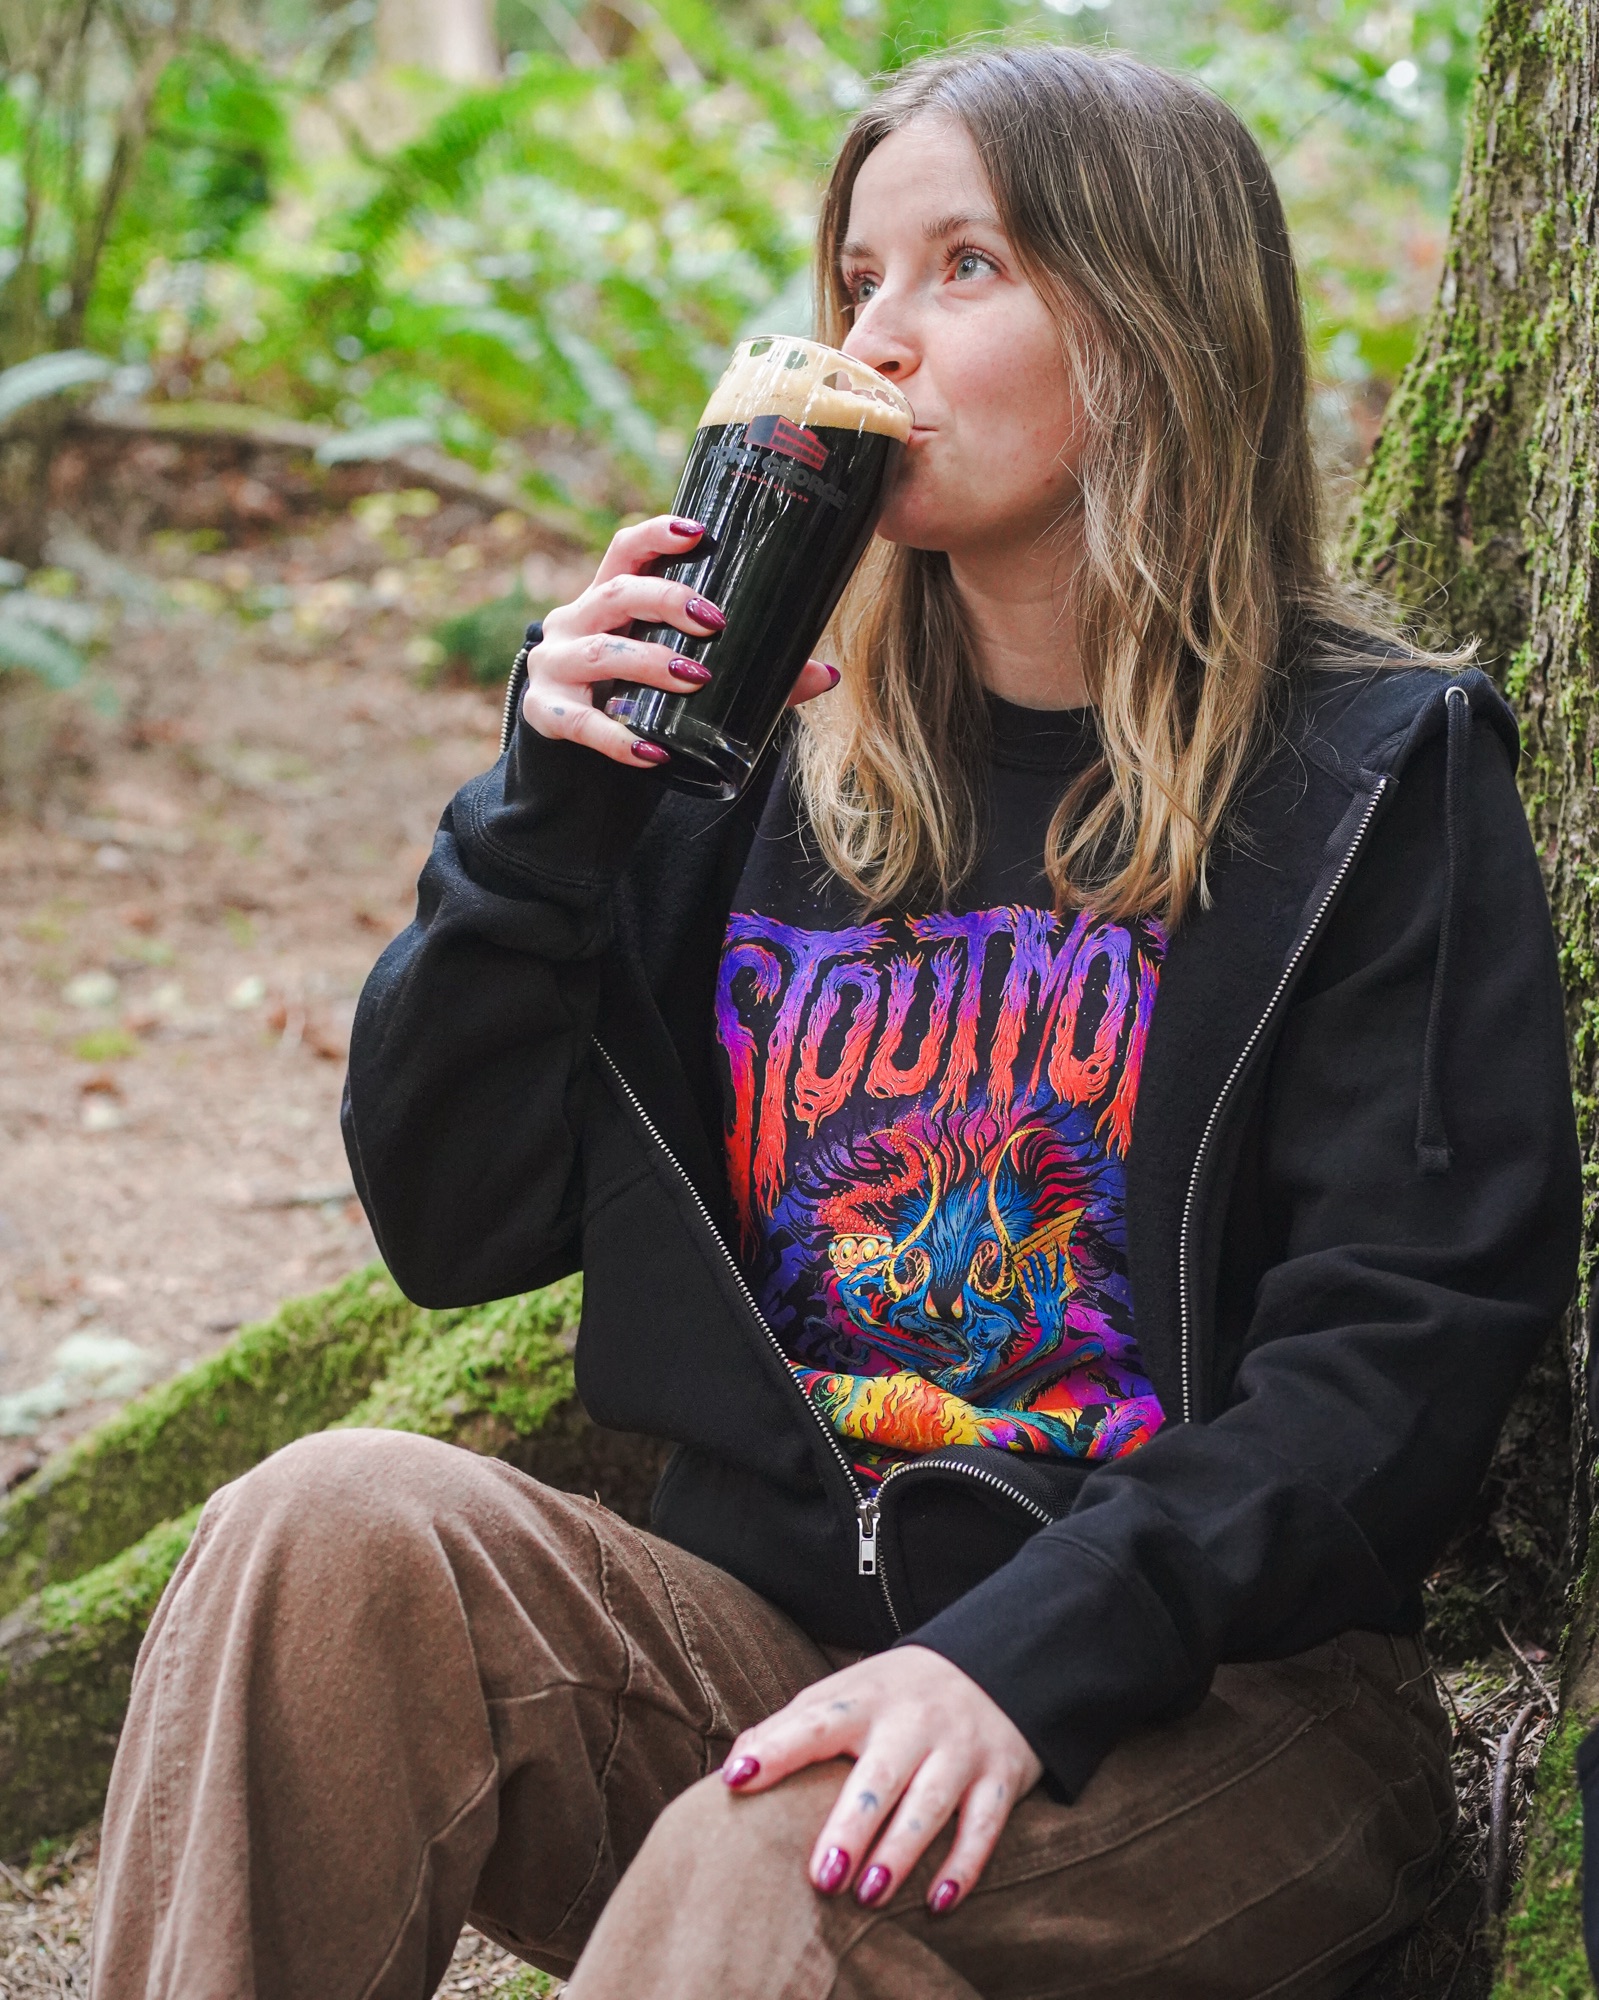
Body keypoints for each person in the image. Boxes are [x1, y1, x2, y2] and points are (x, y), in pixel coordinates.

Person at [91, 43, 1580, 2000]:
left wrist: (1020, 1656)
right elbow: (455, 1224)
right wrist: (546, 817)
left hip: (1219, 1699)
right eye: (857, 279)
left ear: (1151, 326)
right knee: (323, 1524)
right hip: (777, 1640)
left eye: (965, 266)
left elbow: (1399, 1356)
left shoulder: (1369, 783)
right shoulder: (757, 776)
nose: (875, 336)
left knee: (788, 1849)